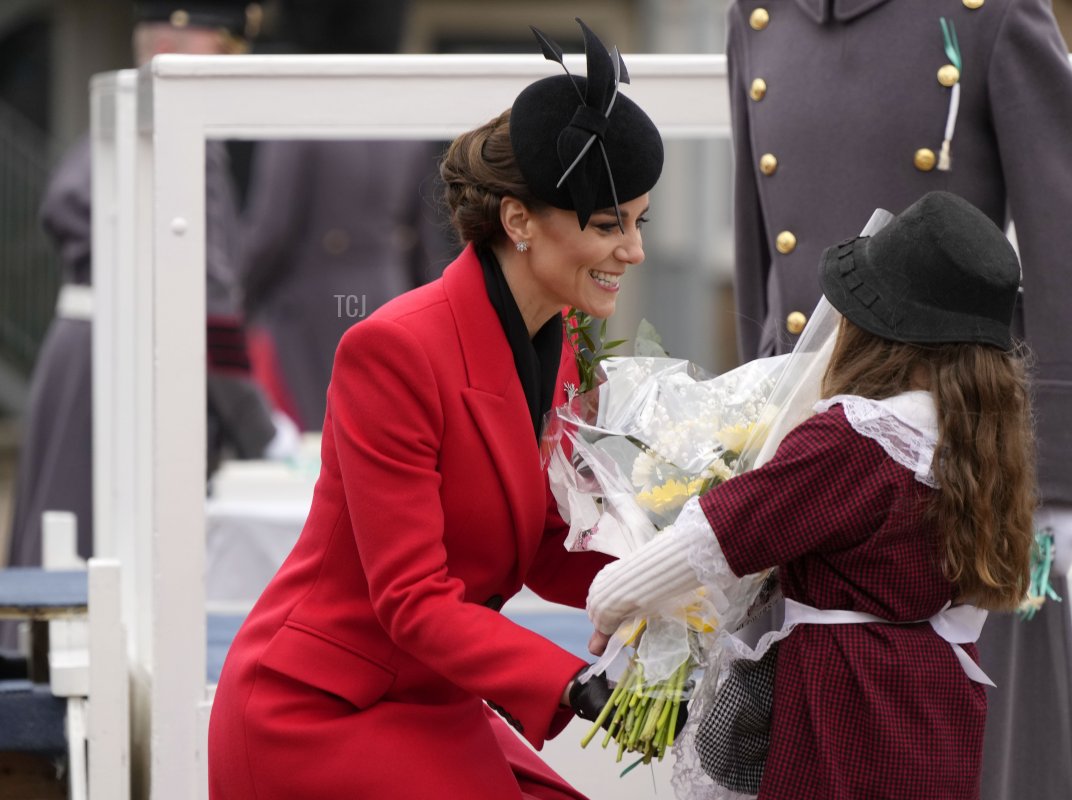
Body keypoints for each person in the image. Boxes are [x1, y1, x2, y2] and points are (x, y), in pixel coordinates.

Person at [207, 20, 664, 799]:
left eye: (639, 222)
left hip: (434, 699)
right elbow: (413, 599)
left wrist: (676, 578)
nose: (634, 250)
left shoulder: (557, 338)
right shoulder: (393, 350)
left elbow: (547, 541)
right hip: (320, 711)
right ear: (519, 222)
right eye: (606, 225)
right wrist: (580, 687)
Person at [724, 2, 1072, 796]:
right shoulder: (758, 14)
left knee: (971, 757)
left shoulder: (992, 13)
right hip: (809, 451)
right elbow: (759, 251)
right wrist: (747, 422)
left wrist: (1067, 479)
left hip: (955, 463)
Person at [587, 191, 1037, 800]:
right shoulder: (977, 442)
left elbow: (720, 532)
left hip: (846, 703)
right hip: (935, 705)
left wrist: (612, 598)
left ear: (877, 331)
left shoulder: (858, 438)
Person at [5, 0, 282, 582]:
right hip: (128, 366)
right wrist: (259, 429)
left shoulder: (122, 127)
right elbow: (207, 312)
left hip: (86, 352)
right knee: (101, 569)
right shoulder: (181, 142)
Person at [235, 0, 456, 431]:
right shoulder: (404, 120)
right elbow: (423, 240)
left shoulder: (304, 116)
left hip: (310, 309)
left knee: (314, 443)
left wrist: (232, 305)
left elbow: (270, 233)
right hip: (387, 295)